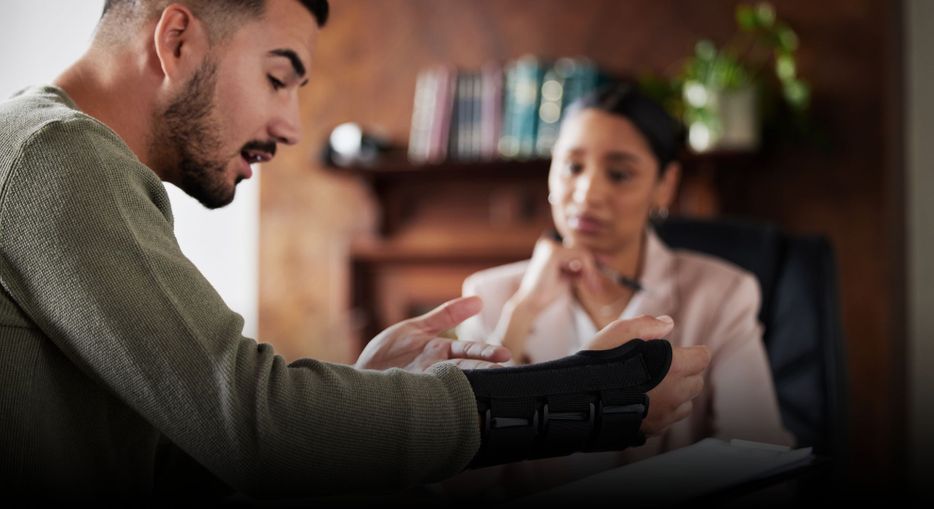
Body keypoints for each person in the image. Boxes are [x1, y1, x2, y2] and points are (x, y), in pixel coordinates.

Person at [0, 0, 711, 500]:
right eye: (279, 77)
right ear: (177, 39)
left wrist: (364, 384)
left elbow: (189, 454)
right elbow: (252, 425)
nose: (291, 126)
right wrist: (597, 396)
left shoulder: (59, 156)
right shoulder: (55, 154)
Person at [455, 82, 793, 494]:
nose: (587, 192)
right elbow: (467, 480)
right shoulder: (489, 296)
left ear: (664, 185)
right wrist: (523, 311)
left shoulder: (722, 294)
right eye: (572, 166)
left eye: (619, 174)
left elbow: (760, 455)